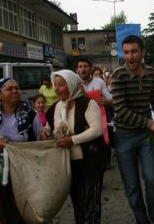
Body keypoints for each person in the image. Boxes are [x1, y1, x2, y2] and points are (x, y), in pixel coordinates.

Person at [111, 35, 154, 224]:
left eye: (134, 51)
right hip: (124, 137)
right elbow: (121, 111)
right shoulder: (119, 75)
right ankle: (142, 221)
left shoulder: (150, 73)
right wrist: (151, 123)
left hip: (145, 137)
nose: (130, 56)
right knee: (132, 186)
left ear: (142, 52)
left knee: (151, 178)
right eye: (126, 52)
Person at [42, 69, 104, 223]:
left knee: (89, 201)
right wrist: (45, 131)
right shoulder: (56, 107)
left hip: (88, 161)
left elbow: (96, 130)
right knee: (77, 201)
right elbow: (50, 126)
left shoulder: (88, 104)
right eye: (55, 85)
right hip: (67, 164)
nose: (57, 88)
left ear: (71, 84)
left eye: (61, 85)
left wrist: (72, 140)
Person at [0, 78, 41, 223]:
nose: (15, 91)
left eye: (17, 88)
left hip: (25, 174)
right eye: (9, 89)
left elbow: (39, 142)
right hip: (1, 173)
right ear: (0, 95)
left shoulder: (30, 115)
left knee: (25, 211)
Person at [76, 58, 113, 170]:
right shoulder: (75, 83)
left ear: (90, 68)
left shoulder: (99, 82)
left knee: (101, 147)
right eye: (80, 67)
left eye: (85, 66)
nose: (83, 69)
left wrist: (105, 102)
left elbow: (111, 100)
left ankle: (104, 164)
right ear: (77, 70)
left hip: (99, 122)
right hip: (82, 123)